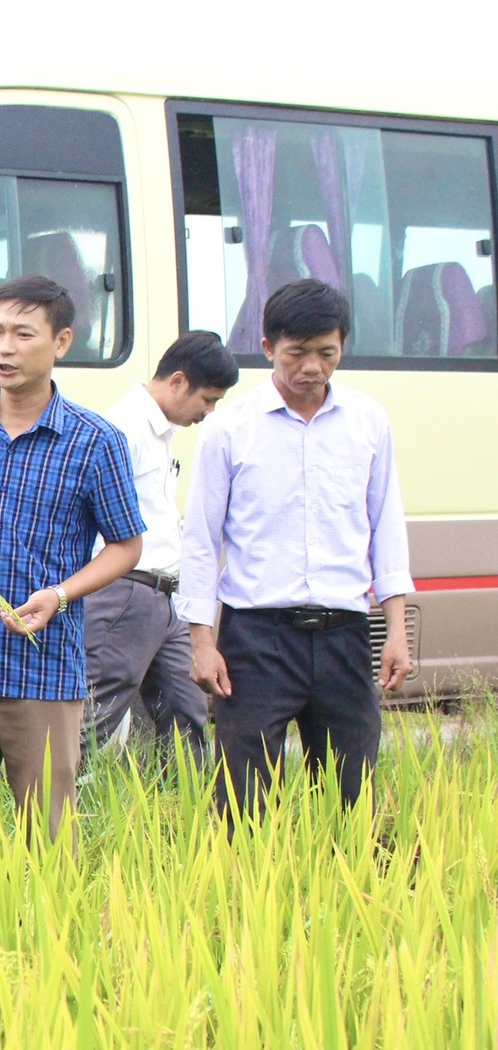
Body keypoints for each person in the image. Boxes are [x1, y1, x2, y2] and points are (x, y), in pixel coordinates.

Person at [0, 275, 145, 850]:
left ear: (61, 343)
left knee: (50, 839)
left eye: (22, 334)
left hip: (41, 671)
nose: (4, 349)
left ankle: (48, 940)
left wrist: (60, 595)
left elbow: (126, 545)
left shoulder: (95, 441)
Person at [179, 278, 413, 816]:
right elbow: (200, 539)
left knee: (352, 793)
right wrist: (201, 641)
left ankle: (352, 891)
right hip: (257, 638)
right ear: (268, 349)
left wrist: (395, 629)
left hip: (346, 634)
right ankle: (242, 892)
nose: (312, 367)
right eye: (297, 353)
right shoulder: (230, 428)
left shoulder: (369, 423)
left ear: (342, 347)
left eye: (326, 353)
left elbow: (387, 528)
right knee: (243, 798)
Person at [84, 331, 238, 760]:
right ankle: (54, 809)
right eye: (207, 400)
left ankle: (184, 810)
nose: (208, 412)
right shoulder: (120, 429)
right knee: (95, 714)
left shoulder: (161, 433)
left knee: (186, 711)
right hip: (125, 591)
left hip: (167, 595)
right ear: (177, 381)